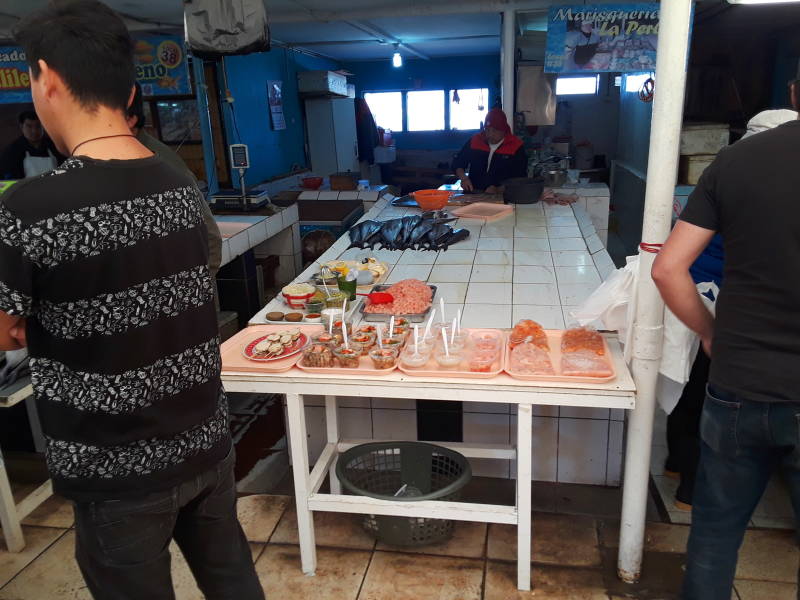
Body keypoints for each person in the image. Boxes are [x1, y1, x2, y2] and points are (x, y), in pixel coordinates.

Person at [0, 2, 264, 599]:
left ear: (47, 79)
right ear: (131, 88)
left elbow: (5, 332)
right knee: (232, 581)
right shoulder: (177, 182)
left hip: (116, 468)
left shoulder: (30, 207)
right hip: (205, 438)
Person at [652, 65, 800, 600]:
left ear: (792, 90)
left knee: (714, 534)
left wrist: (712, 334)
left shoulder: (737, 161)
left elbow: (668, 269)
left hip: (740, 378)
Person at [664, 108, 798, 512]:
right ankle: (689, 483)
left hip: (692, 297)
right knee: (701, 393)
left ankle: (677, 468)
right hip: (726, 308)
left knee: (689, 387)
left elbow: (669, 266)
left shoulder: (729, 172)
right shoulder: (775, 186)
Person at [127, 83, 223, 278]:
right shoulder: (117, 163)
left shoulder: (161, 163)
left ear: (129, 118)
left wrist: (194, 290)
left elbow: (210, 237)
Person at [452, 108, 527, 194]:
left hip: (503, 196)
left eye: (494, 131)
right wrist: (464, 178)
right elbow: (458, 163)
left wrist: (498, 189)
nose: (490, 134)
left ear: (504, 130)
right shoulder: (475, 141)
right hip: (474, 193)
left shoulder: (516, 146)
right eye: (487, 130)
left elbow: (520, 178)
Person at [0, 110, 65, 179]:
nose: (34, 131)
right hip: (26, 189)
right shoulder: (13, 150)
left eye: (38, 126)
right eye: (29, 126)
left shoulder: (54, 146)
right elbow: (9, 178)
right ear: (22, 126)